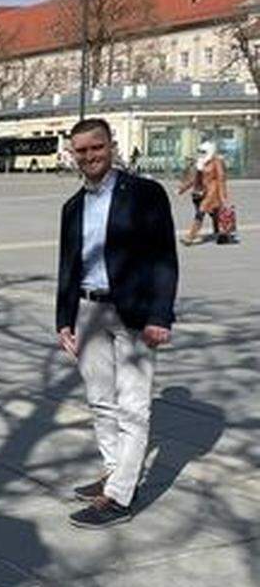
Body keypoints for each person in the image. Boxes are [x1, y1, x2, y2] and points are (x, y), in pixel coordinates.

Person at [56, 118, 178, 529]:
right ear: (73, 153)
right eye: (82, 150)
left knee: (133, 407)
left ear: (111, 146)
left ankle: (121, 496)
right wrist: (64, 319)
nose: (90, 156)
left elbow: (164, 257)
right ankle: (114, 474)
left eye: (97, 148)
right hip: (88, 311)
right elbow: (67, 266)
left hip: (135, 313)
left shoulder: (145, 194)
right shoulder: (72, 206)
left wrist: (161, 315)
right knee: (99, 401)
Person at [188, 141, 230, 245]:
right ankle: (221, 234)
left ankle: (190, 236)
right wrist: (182, 189)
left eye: (203, 151)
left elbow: (221, 179)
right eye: (200, 151)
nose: (201, 154)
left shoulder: (216, 162)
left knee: (200, 212)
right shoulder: (201, 162)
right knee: (215, 214)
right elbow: (194, 179)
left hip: (213, 192)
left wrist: (223, 196)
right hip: (202, 192)